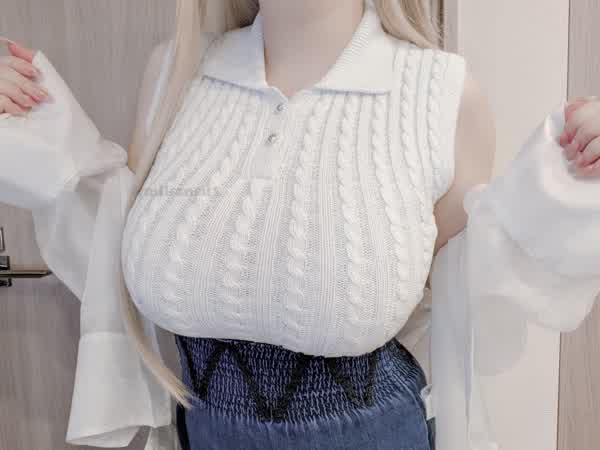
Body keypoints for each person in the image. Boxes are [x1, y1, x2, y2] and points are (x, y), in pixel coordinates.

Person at [1, 0, 600, 449]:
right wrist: (26, 123)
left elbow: (472, 286)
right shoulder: (175, 74)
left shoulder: (442, 94)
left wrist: (574, 175)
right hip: (201, 432)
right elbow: (112, 240)